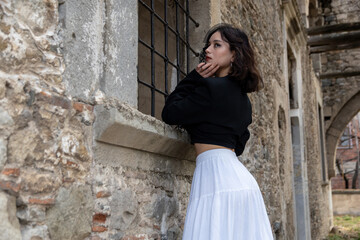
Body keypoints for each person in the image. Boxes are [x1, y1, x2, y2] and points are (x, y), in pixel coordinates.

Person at [161, 23, 274, 239]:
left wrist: (194, 77)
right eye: (208, 45)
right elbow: (238, 146)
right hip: (242, 183)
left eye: (217, 45)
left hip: (216, 181)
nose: (207, 50)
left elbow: (170, 113)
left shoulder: (209, 88)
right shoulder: (245, 102)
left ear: (234, 55)